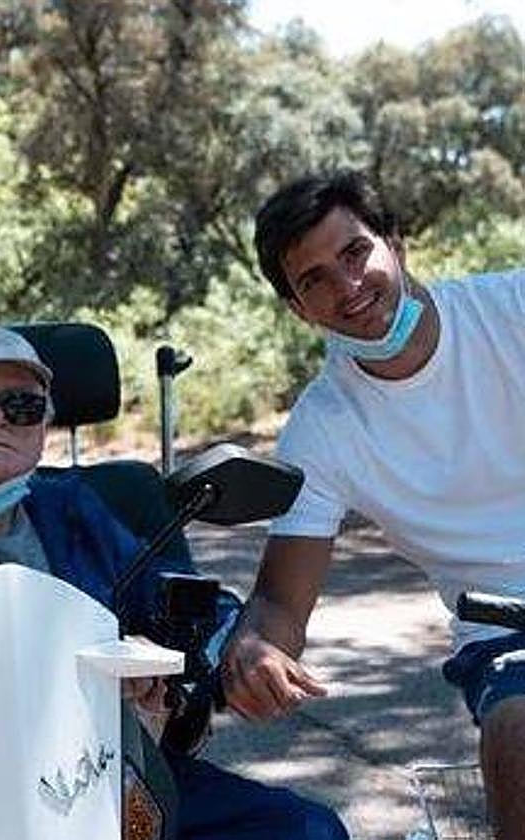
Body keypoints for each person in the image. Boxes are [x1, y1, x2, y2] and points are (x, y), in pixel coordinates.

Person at [0, 324, 349, 840]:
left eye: (22, 406)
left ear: (44, 425)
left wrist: (241, 644)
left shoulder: (72, 505)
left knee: (307, 829)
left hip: (106, 765)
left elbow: (158, 589)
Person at [221, 169, 525, 839]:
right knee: (520, 736)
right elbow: (279, 602)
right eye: (315, 280)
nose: (348, 286)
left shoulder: (512, 309)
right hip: (507, 630)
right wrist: (256, 650)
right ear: (298, 310)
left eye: (355, 252)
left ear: (396, 242)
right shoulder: (323, 428)